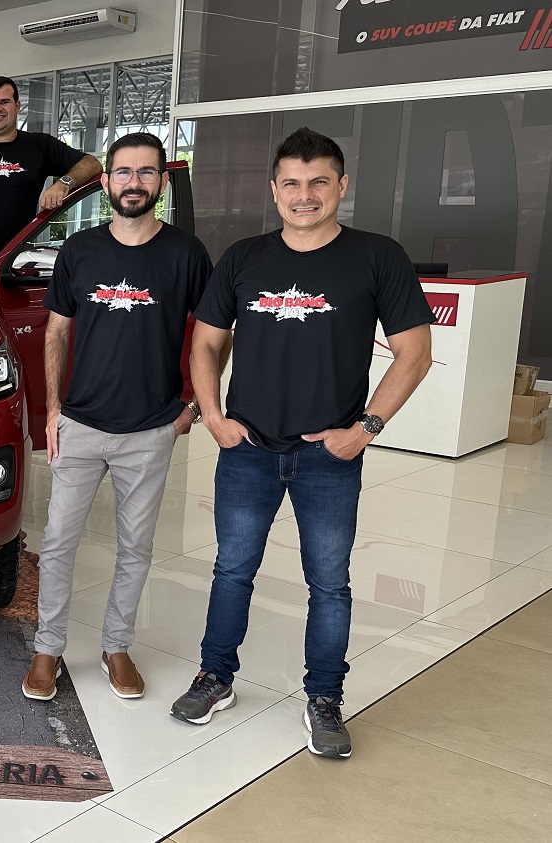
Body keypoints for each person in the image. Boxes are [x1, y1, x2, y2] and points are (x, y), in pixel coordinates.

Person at [171, 128, 433, 759]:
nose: (304, 194)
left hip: (328, 458)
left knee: (330, 584)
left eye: (318, 181)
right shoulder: (243, 258)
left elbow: (415, 352)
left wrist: (364, 430)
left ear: (342, 185)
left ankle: (324, 699)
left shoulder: (377, 257)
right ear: (274, 190)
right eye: (291, 182)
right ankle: (215, 677)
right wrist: (212, 416)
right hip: (247, 450)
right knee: (232, 570)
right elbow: (205, 342)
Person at [23, 132, 212, 703]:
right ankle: (48, 649)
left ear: (161, 182)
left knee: (136, 547)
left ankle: (116, 646)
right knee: (59, 542)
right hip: (80, 424)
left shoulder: (186, 254)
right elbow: (56, 331)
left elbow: (212, 335)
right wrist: (53, 409)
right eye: (124, 172)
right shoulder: (79, 250)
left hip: (151, 428)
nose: (134, 182)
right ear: (105, 182)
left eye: (146, 172)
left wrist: (194, 406)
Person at [0, 76, 102, 277]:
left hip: (17, 263)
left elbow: (92, 164)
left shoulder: (40, 146)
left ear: (17, 106)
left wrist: (63, 183)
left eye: (4, 102)